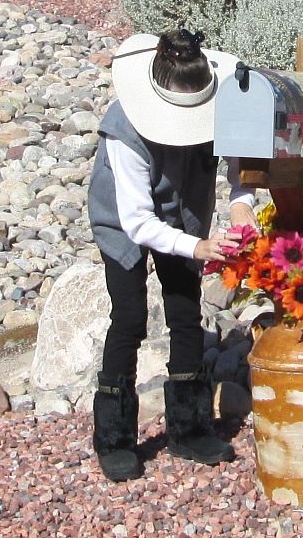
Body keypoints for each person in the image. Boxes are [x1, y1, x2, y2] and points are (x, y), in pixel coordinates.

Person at [87, 29, 258, 482]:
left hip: (185, 209)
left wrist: (242, 202)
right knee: (129, 317)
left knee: (185, 314)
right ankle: (114, 437)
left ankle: (189, 427)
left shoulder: (219, 107)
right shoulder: (124, 131)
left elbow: (242, 160)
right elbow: (137, 221)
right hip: (123, 218)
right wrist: (200, 247)